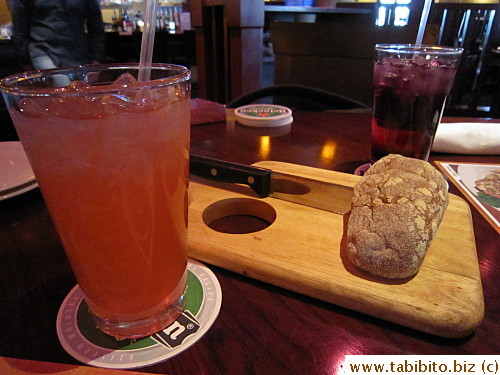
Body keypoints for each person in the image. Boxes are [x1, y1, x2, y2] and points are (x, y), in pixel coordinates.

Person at [8, 0, 105, 71]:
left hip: (77, 54)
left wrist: (96, 59)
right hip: (42, 50)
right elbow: (19, 26)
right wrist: (24, 61)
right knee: (62, 85)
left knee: (76, 91)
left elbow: (96, 24)